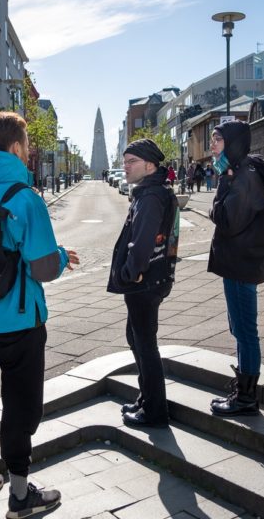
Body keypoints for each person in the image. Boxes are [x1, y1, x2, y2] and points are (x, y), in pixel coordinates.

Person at [0, 111, 79, 517]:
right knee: (20, 406)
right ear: (14, 148)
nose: (28, 154)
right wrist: (62, 256)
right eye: (26, 147)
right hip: (20, 322)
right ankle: (21, 494)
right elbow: (43, 267)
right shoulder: (24, 198)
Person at [207, 122, 264, 415]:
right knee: (240, 327)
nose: (212, 145)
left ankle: (245, 397)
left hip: (242, 264)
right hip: (240, 263)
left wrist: (224, 185)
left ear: (232, 143)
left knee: (245, 330)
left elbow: (225, 220)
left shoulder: (241, 177)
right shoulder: (241, 171)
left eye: (217, 139)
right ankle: (244, 389)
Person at [108, 139, 178, 428]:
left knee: (145, 345)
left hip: (145, 282)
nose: (125, 166)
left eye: (131, 161)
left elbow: (143, 241)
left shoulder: (150, 196)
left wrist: (131, 271)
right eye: (124, 161)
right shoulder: (154, 191)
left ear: (150, 165)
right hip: (154, 279)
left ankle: (154, 410)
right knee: (135, 338)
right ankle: (146, 397)